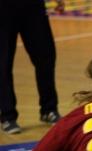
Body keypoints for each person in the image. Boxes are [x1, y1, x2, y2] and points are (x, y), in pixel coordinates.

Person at [0, 0, 65, 134]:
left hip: (33, 7)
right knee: (3, 63)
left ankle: (49, 109)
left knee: (46, 57)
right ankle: (7, 115)